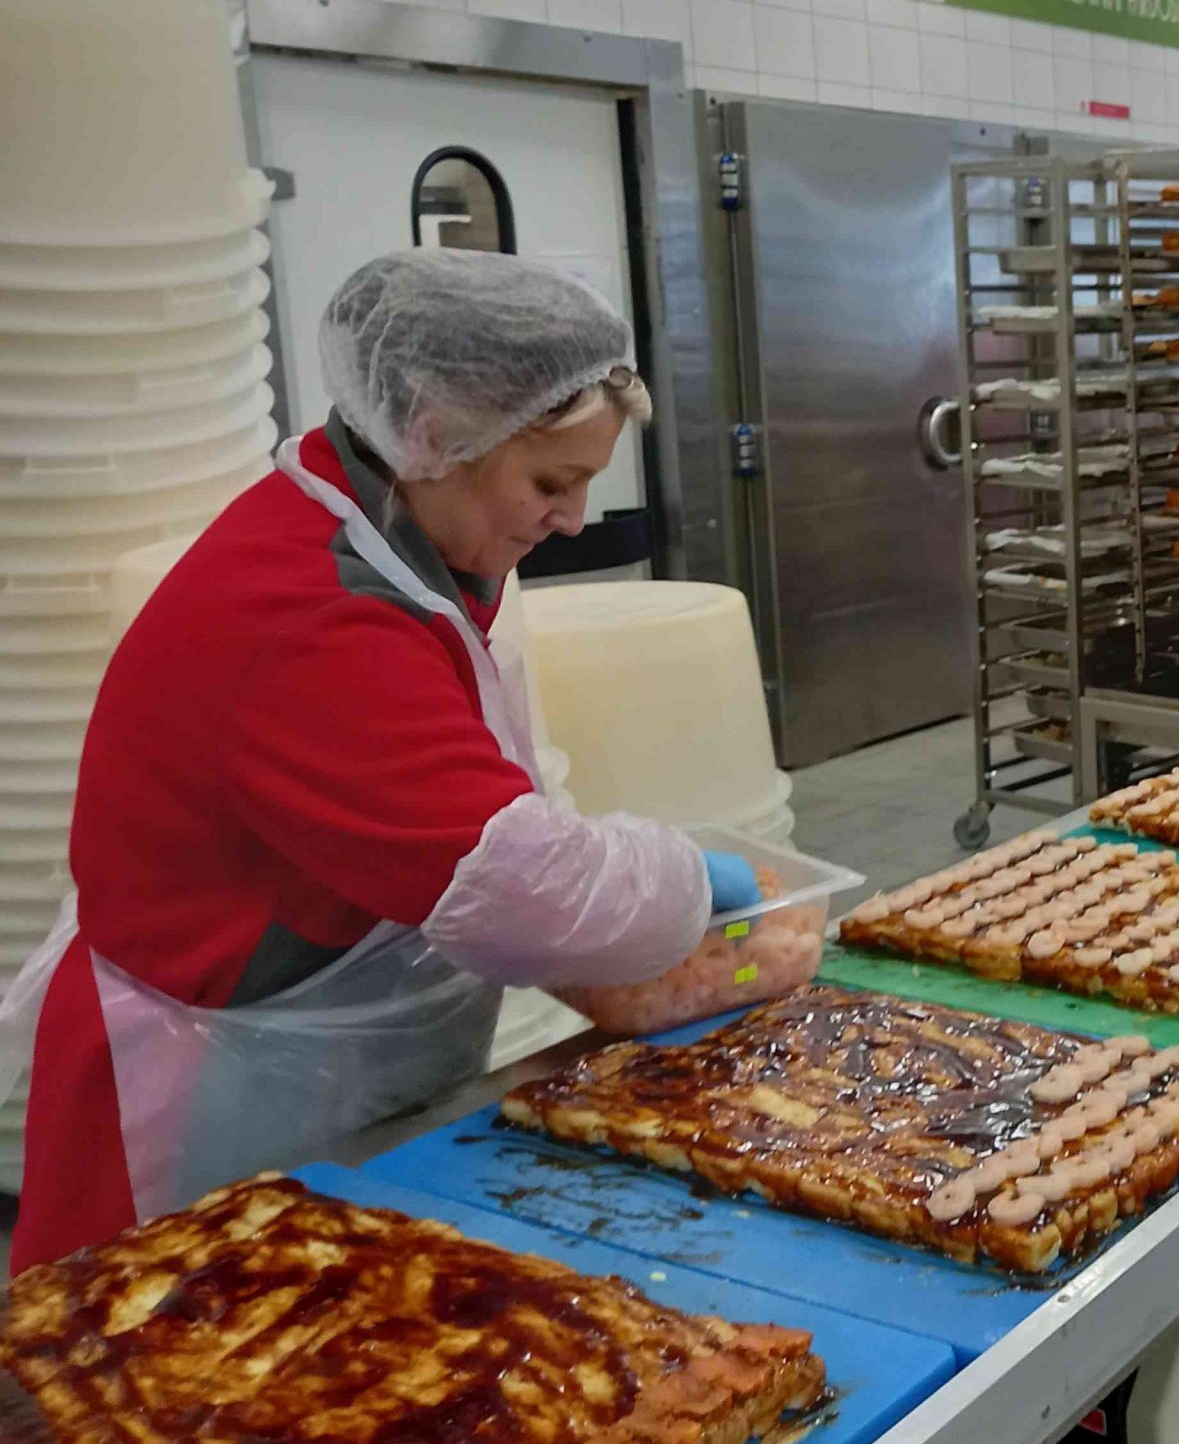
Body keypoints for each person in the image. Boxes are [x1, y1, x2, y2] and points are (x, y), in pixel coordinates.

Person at [0, 251, 761, 1270]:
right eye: (552, 483)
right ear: (435, 438)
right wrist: (682, 884)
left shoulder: (401, 542)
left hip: (306, 1060)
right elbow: (519, 889)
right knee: (182, 1348)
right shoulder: (312, 617)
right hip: (199, 1095)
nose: (574, 519)